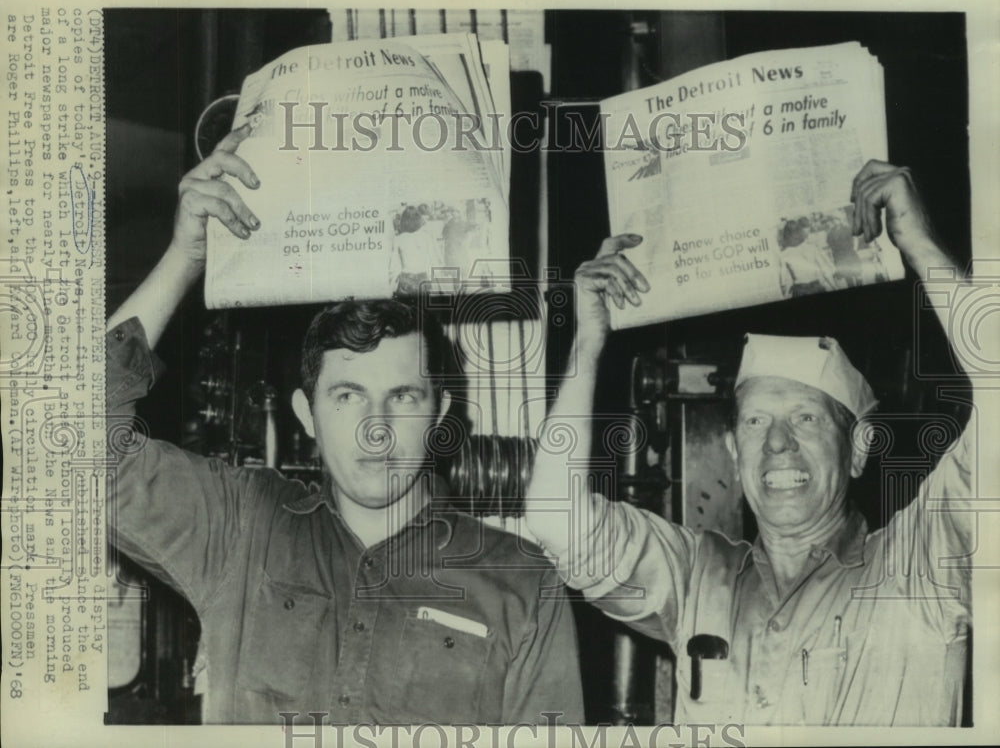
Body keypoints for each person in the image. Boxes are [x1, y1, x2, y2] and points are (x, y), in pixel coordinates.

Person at [105, 125, 584, 725]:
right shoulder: (241, 526)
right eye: (348, 396)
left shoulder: (524, 587)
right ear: (307, 415)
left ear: (439, 415)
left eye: (403, 396)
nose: (375, 429)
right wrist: (185, 258)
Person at [525, 161, 979, 726]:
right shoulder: (697, 575)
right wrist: (589, 340)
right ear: (735, 453)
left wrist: (919, 244)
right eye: (757, 423)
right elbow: (553, 518)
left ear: (859, 447)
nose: (779, 444)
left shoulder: (921, 566)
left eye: (807, 419)